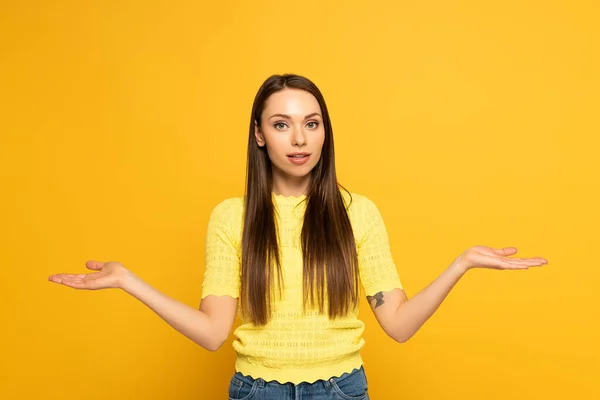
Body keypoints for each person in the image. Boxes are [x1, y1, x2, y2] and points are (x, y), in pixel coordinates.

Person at [48, 74, 548, 399]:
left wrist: (460, 264)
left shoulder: (357, 213)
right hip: (256, 391)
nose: (300, 139)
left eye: (311, 123)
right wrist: (129, 281)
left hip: (342, 390)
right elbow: (213, 332)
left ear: (325, 131)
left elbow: (396, 324)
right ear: (260, 134)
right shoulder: (232, 217)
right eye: (282, 125)